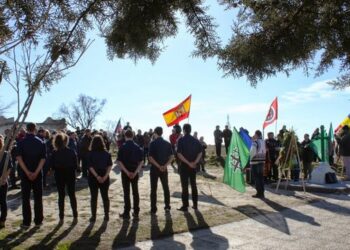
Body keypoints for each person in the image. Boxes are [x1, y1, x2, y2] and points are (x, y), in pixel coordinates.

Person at [16, 123, 46, 228]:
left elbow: (19, 159)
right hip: (35, 173)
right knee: (38, 198)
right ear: (35, 129)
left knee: (26, 198)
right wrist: (35, 172)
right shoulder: (41, 142)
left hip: (26, 173)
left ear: (27, 129)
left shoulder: (21, 142)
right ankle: (38, 221)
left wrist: (27, 172)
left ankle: (26, 222)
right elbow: (43, 159)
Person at [50, 132, 78, 221]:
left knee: (61, 195)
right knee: (72, 194)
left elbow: (52, 166)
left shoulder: (55, 152)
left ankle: (61, 215)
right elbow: (76, 165)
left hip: (59, 174)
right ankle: (75, 214)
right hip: (70, 174)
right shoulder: (71, 151)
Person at [117, 130, 144, 219]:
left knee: (126, 193)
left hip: (126, 173)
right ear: (133, 136)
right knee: (135, 192)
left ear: (125, 136)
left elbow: (119, 162)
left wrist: (127, 172)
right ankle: (136, 212)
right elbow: (141, 162)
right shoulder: (137, 147)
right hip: (134, 171)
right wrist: (135, 172)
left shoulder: (122, 147)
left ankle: (127, 212)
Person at [177, 124, 202, 212]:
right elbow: (200, 153)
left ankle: (185, 206)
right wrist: (194, 162)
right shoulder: (196, 140)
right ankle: (195, 204)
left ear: (183, 130)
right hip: (193, 166)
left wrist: (188, 163)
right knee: (193, 185)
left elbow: (179, 154)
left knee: (185, 186)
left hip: (184, 166)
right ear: (190, 130)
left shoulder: (181, 140)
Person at [87, 135, 113, 222]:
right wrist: (105, 176)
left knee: (94, 197)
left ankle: (93, 216)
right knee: (105, 196)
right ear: (102, 142)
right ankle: (106, 215)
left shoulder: (90, 153)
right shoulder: (107, 153)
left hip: (93, 176)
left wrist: (97, 176)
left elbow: (90, 167)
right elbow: (110, 166)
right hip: (103, 175)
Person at [148, 127, 173, 215]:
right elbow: (171, 157)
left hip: (155, 169)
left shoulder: (152, 143)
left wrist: (159, 166)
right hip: (163, 169)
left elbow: (150, 158)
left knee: (153, 189)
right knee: (166, 188)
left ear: (155, 133)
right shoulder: (167, 143)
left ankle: (153, 209)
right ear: (162, 133)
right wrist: (164, 166)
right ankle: (167, 206)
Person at [0, 135, 13, 228]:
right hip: (3, 180)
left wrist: (4, 178)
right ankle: (2, 220)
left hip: (3, 181)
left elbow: (9, 167)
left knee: (2, 201)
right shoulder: (5, 154)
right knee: (2, 201)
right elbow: (10, 167)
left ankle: (2, 220)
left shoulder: (5, 154)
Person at [250, 130, 266, 199]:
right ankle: (262, 192)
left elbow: (252, 152)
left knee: (257, 178)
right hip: (262, 161)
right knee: (261, 177)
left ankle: (259, 193)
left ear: (256, 134)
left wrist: (249, 156)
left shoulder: (255, 142)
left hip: (255, 162)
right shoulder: (263, 142)